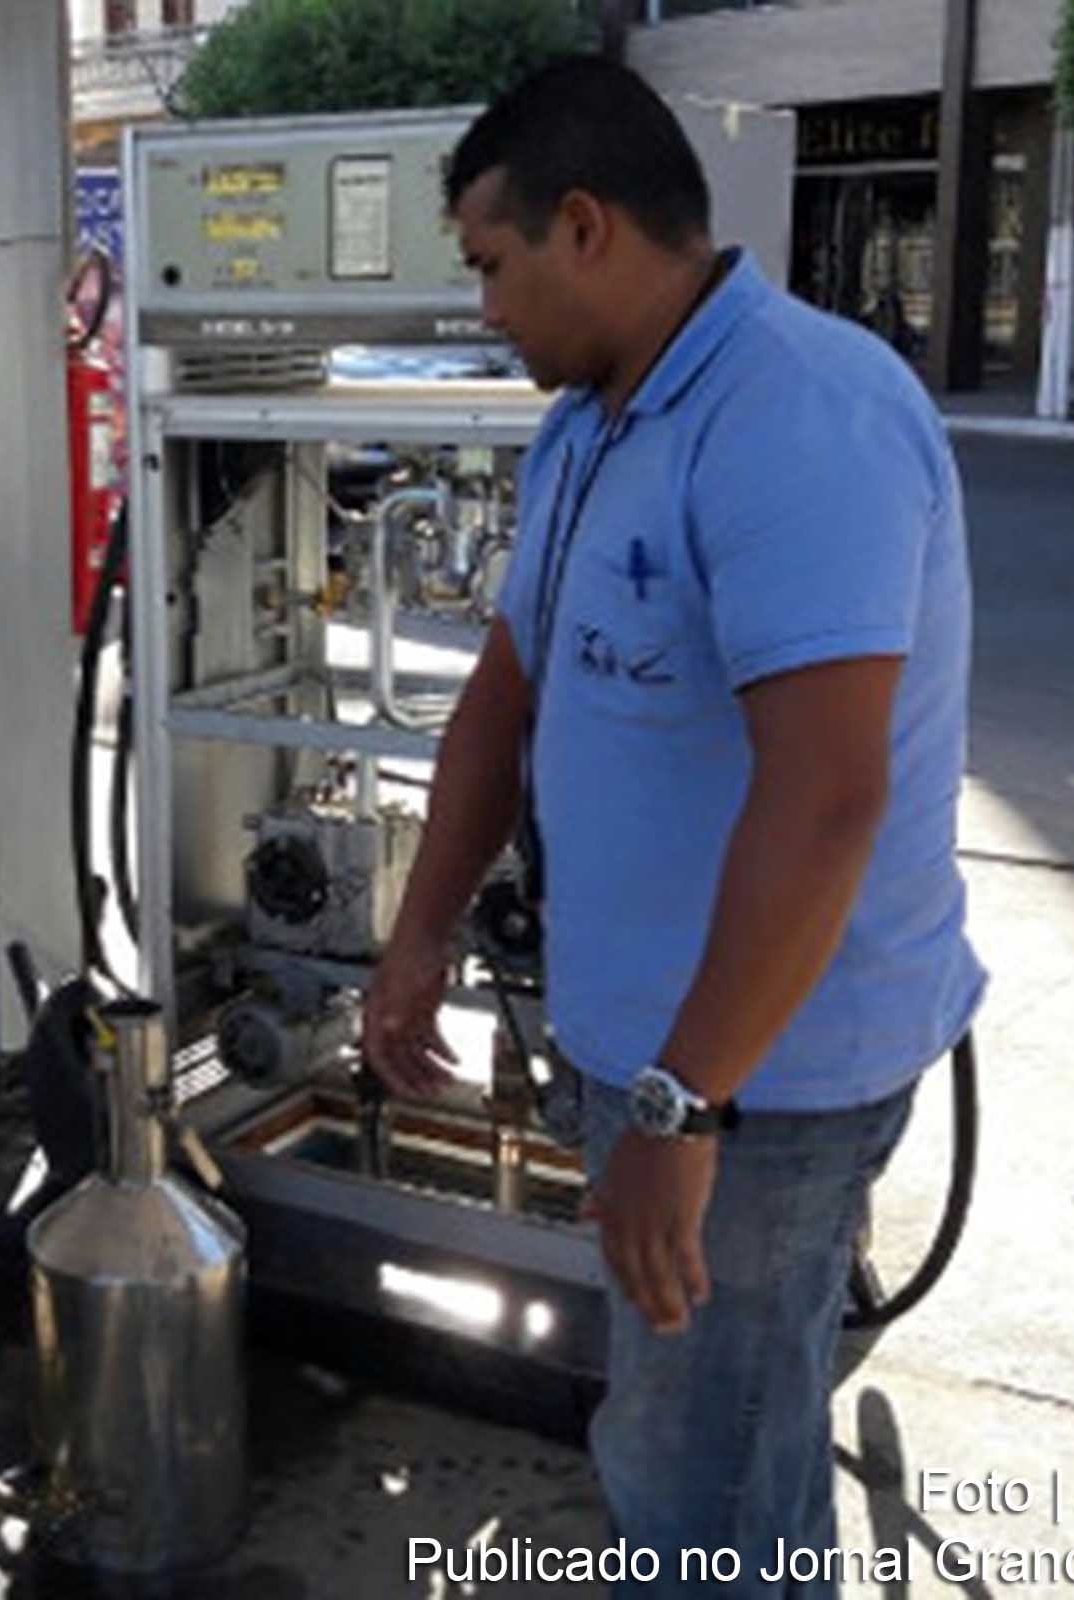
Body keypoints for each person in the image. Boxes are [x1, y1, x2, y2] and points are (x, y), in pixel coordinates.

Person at [362, 57, 983, 1596]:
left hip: (760, 1088)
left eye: (492, 266)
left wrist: (681, 1109)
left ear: (585, 227)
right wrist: (418, 933)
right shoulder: (592, 425)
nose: (484, 310)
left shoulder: (801, 417)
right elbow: (503, 705)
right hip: (654, 1064)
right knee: (710, 1439)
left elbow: (829, 795)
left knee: (703, 1486)